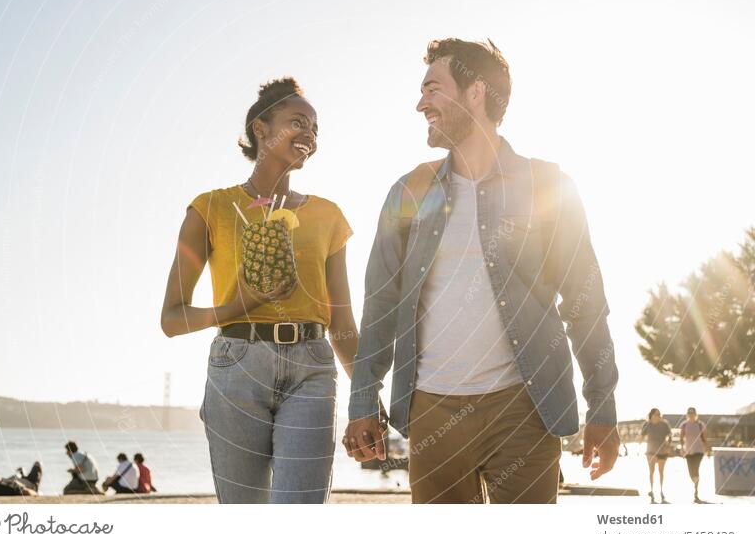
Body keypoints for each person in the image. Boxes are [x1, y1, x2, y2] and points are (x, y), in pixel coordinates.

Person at [345, 37, 620, 504]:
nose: (420, 104)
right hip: (430, 412)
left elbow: (585, 304)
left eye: (432, 88)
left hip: (525, 409)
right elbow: (380, 306)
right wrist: (361, 401)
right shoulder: (408, 191)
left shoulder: (549, 186)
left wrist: (604, 408)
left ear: (475, 93)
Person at [161, 77, 363, 504]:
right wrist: (236, 305)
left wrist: (364, 395)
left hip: (312, 369)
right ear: (261, 129)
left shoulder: (328, 217)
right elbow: (172, 319)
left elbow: (342, 322)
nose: (309, 132)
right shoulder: (210, 209)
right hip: (237, 367)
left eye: (315, 127)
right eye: (297, 121)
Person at [680, 407, 711, 503]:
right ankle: (695, 484)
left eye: (693, 414)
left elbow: (705, 438)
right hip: (688, 451)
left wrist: (708, 449)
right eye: (689, 414)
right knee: (691, 472)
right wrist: (681, 448)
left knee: (696, 469)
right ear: (687, 415)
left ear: (695, 414)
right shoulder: (684, 425)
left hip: (699, 451)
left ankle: (696, 492)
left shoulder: (700, 425)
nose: (691, 415)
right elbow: (681, 438)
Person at [640, 408, 671, 503]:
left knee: (661, 472)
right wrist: (639, 442)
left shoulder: (664, 424)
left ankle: (661, 491)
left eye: (659, 414)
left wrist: (668, 444)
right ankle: (652, 490)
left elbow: (669, 435)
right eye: (656, 414)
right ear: (651, 415)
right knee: (651, 471)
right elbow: (642, 436)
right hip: (651, 451)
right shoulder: (647, 424)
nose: (658, 416)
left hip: (662, 451)